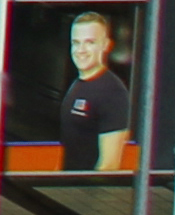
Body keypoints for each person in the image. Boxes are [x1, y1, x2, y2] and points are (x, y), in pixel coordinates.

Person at [55, 10, 136, 172]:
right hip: (70, 190)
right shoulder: (78, 84)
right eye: (76, 43)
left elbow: (109, 165)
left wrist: (87, 194)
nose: (81, 50)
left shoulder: (113, 93)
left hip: (87, 193)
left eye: (89, 42)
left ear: (106, 45)